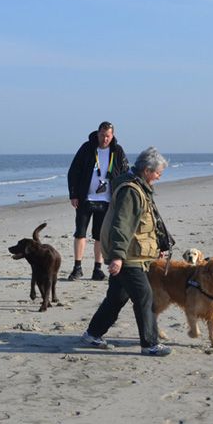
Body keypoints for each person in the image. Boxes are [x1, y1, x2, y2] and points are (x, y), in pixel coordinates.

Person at [80, 146, 172, 357]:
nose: (159, 177)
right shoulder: (131, 191)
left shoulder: (140, 188)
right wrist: (118, 257)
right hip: (128, 256)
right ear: (147, 171)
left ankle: (92, 334)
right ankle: (150, 344)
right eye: (158, 173)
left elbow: (146, 223)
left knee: (116, 297)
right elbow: (121, 225)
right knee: (145, 296)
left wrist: (157, 246)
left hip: (133, 253)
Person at [66, 121, 129, 281]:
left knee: (100, 236)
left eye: (108, 136)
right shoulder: (87, 148)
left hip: (107, 200)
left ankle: (97, 269)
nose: (104, 139)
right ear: (98, 133)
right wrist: (73, 194)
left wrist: (122, 196)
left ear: (112, 135)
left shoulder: (117, 150)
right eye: (102, 135)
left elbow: (125, 173)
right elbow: (73, 171)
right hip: (85, 199)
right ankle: (77, 268)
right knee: (80, 233)